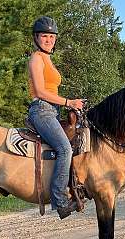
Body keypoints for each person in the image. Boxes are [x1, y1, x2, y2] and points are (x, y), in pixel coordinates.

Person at [27, 16, 85, 219]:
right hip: (41, 110)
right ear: (36, 38)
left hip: (53, 111)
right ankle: (60, 201)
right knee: (64, 148)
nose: (49, 40)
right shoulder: (36, 58)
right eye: (44, 36)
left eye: (52, 36)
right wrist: (69, 102)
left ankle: (76, 187)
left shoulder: (48, 59)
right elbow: (41, 92)